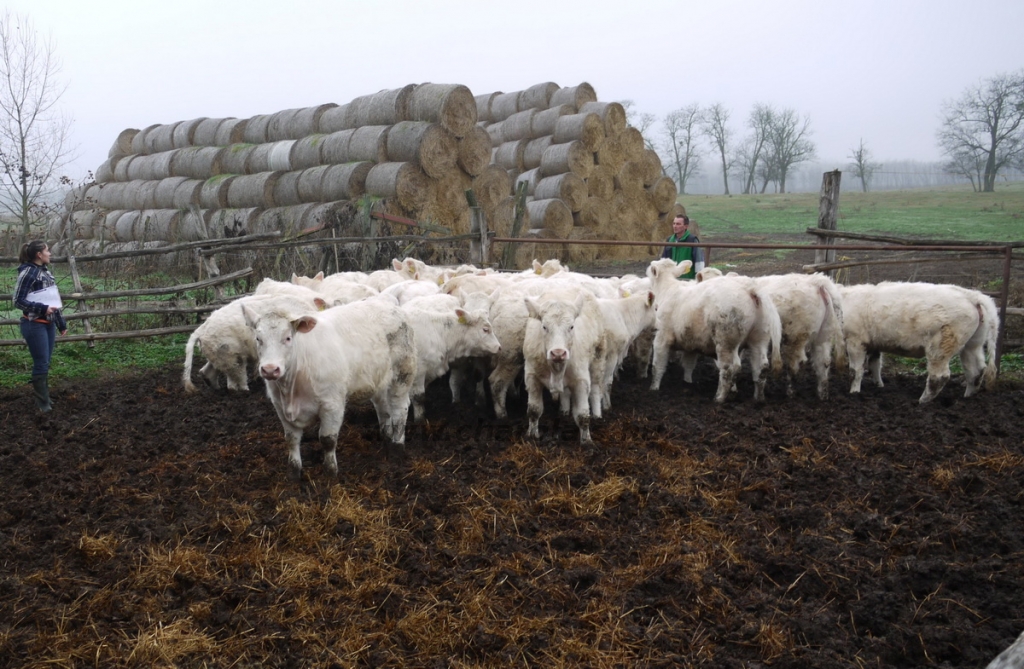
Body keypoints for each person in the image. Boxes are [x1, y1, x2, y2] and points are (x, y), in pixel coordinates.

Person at [13, 240, 67, 412]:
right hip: (34, 324)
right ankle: (42, 403)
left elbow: (52, 299)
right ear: (39, 254)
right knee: (41, 362)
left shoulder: (45, 272)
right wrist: (43, 308)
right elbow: (18, 300)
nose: (50, 253)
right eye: (47, 251)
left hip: (48, 324)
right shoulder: (28, 272)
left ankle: (45, 399)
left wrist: (60, 323)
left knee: (45, 361)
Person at [661, 214, 705, 279]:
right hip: (672, 279)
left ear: (686, 226)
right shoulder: (670, 240)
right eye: (674, 223)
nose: (675, 226)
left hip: (687, 280)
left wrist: (699, 279)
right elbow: (663, 260)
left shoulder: (692, 240)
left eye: (678, 224)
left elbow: (699, 261)